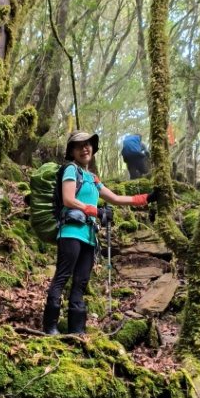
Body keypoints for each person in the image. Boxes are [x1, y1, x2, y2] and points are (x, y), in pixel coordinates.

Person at [42, 130, 158, 336]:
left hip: (88, 235)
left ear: (93, 149)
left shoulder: (93, 179)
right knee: (62, 276)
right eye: (79, 146)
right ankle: (50, 326)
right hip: (70, 231)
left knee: (81, 281)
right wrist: (94, 210)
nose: (85, 148)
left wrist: (147, 198)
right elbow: (68, 200)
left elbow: (116, 198)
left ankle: (77, 330)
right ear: (72, 151)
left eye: (88, 145)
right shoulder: (70, 170)